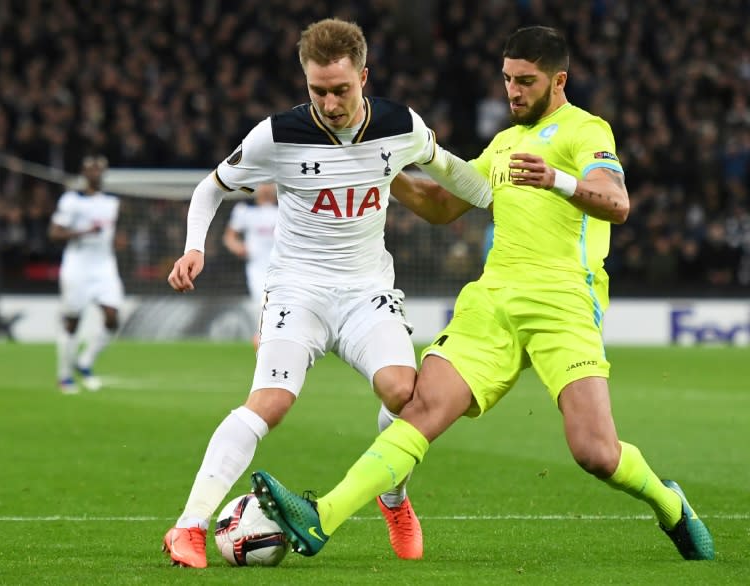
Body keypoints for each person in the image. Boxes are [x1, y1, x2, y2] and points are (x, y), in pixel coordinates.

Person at [250, 26, 716, 562]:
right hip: (492, 300)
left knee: (595, 453)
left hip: (562, 301)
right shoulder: (504, 144)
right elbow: (441, 206)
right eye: (507, 80)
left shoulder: (585, 130)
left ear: (558, 80)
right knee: (422, 406)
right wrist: (374, 158)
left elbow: (616, 202)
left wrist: (558, 181)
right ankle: (322, 516)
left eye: (525, 81)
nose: (512, 92)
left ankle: (670, 503)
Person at [162, 18, 491, 568]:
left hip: (367, 292)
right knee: (271, 402)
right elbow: (209, 189)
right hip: (298, 290)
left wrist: (508, 190)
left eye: (342, 89)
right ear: (305, 83)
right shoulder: (276, 136)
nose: (331, 102)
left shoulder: (400, 125)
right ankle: (189, 528)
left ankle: (393, 498)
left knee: (405, 397)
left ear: (364, 76)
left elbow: (458, 177)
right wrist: (194, 247)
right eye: (319, 90)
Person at [49, 155, 123, 394]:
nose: (95, 173)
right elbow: (55, 233)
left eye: (98, 169)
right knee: (73, 322)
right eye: (90, 169)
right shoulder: (71, 201)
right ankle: (64, 376)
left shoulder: (112, 202)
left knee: (112, 318)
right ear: (83, 173)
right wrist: (84, 232)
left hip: (104, 266)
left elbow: (115, 232)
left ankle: (85, 362)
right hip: (77, 266)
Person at [222, 183, 278, 347]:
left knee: (278, 303)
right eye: (263, 184)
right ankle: (263, 337)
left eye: (270, 184)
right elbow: (229, 237)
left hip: (282, 267)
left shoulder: (284, 210)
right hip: (256, 268)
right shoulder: (245, 211)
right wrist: (238, 247)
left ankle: (267, 337)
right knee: (262, 301)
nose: (267, 188)